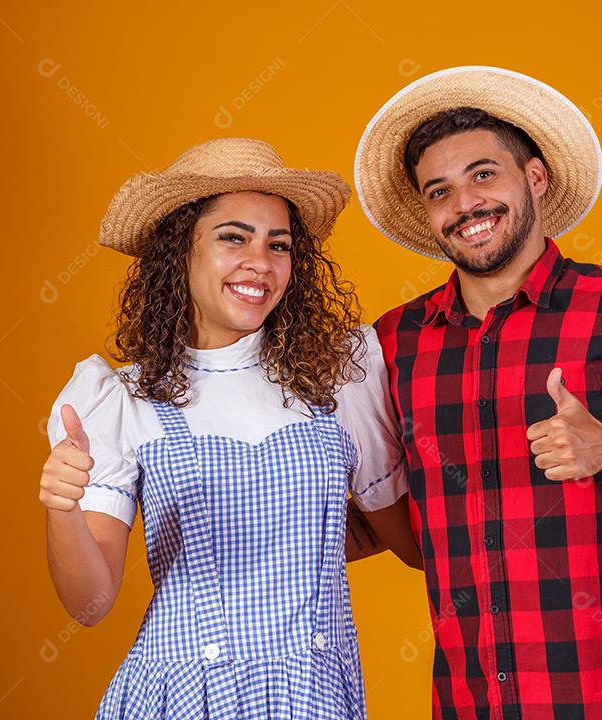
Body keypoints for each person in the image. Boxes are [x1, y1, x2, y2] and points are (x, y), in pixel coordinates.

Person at [354, 66, 602, 720]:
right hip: (473, 701)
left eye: (484, 174)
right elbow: (403, 521)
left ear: (535, 177)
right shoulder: (396, 345)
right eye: (439, 190)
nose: (466, 205)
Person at [38, 137, 420, 719]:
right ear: (180, 251)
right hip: (181, 699)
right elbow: (90, 603)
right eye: (233, 237)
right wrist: (61, 505)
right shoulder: (121, 399)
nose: (260, 263)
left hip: (314, 697)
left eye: (278, 244)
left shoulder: (341, 377)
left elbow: (412, 546)